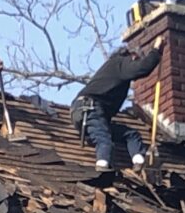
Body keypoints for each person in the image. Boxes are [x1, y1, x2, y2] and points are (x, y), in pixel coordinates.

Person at [70, 35, 166, 171]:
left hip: (90, 112)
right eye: (137, 59)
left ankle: (139, 161)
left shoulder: (115, 69)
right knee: (104, 141)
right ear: (133, 55)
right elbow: (143, 68)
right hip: (90, 108)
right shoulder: (121, 62)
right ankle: (102, 168)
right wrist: (156, 51)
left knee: (131, 134)